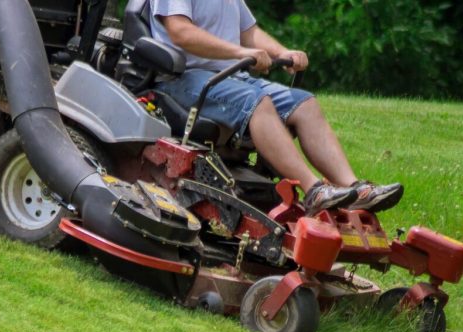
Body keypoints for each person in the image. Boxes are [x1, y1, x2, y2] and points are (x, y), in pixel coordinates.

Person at [147, 0, 403, 214]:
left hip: (229, 76)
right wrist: (239, 52)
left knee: (304, 104)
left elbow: (249, 32)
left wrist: (283, 52)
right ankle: (314, 190)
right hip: (184, 78)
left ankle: (356, 189)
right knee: (256, 103)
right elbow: (180, 31)